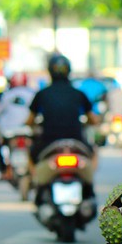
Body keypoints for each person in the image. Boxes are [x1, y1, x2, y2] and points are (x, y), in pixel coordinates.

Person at [27, 54, 99, 195]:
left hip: (48, 141)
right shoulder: (79, 94)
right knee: (94, 153)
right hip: (76, 140)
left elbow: (29, 121)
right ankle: (89, 182)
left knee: (30, 154)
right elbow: (93, 119)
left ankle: (36, 181)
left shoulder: (42, 94)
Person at [0, 72, 35, 181]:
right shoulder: (32, 94)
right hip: (27, 130)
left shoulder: (7, 95)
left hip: (9, 131)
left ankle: (4, 171)